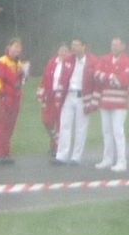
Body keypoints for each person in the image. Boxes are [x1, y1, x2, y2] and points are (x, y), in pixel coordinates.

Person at [53, 38, 97, 166]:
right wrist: (59, 95)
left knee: (81, 127)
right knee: (64, 125)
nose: (74, 48)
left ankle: (76, 157)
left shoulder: (92, 61)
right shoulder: (68, 59)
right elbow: (62, 77)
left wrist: (93, 99)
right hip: (69, 95)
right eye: (73, 45)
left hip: (83, 96)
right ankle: (61, 155)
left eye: (77, 45)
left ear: (84, 46)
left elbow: (95, 80)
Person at [0, 38, 29, 165]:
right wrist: (2, 94)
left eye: (19, 48)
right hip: (6, 98)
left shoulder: (19, 64)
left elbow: (21, 82)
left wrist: (24, 73)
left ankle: (5, 152)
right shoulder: (2, 61)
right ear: (9, 47)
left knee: (10, 126)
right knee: (1, 125)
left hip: (16, 98)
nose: (17, 50)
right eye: (15, 47)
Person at [94, 37, 129, 173]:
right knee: (106, 131)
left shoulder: (127, 61)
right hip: (105, 101)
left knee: (118, 131)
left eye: (116, 45)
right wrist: (112, 77)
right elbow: (96, 75)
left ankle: (122, 161)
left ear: (123, 46)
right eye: (112, 44)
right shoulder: (104, 59)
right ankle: (107, 159)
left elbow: (124, 81)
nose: (113, 47)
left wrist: (108, 77)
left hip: (120, 103)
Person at [37, 43, 70, 158]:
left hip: (62, 97)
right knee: (46, 120)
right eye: (61, 51)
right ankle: (55, 141)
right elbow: (45, 78)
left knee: (60, 123)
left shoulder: (69, 65)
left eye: (66, 51)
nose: (63, 53)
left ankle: (56, 147)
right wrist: (41, 93)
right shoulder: (52, 62)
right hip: (50, 95)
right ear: (58, 51)